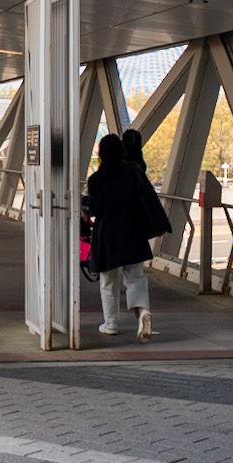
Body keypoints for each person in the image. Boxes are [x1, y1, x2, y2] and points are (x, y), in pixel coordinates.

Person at [86, 134, 155, 341]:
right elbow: (147, 195)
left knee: (108, 282)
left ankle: (111, 324)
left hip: (107, 236)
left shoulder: (96, 180)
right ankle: (142, 313)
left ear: (101, 155)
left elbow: (95, 210)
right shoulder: (133, 171)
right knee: (135, 278)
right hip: (133, 232)